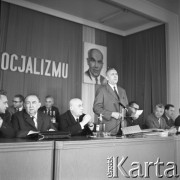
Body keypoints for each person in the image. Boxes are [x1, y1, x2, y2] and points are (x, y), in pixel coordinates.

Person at [93, 68, 128, 135]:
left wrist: (133, 114)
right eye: (112, 74)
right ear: (107, 78)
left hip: (123, 128)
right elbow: (96, 108)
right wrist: (111, 114)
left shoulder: (122, 90)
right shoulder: (102, 90)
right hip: (109, 129)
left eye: (116, 74)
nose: (115, 76)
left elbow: (126, 107)